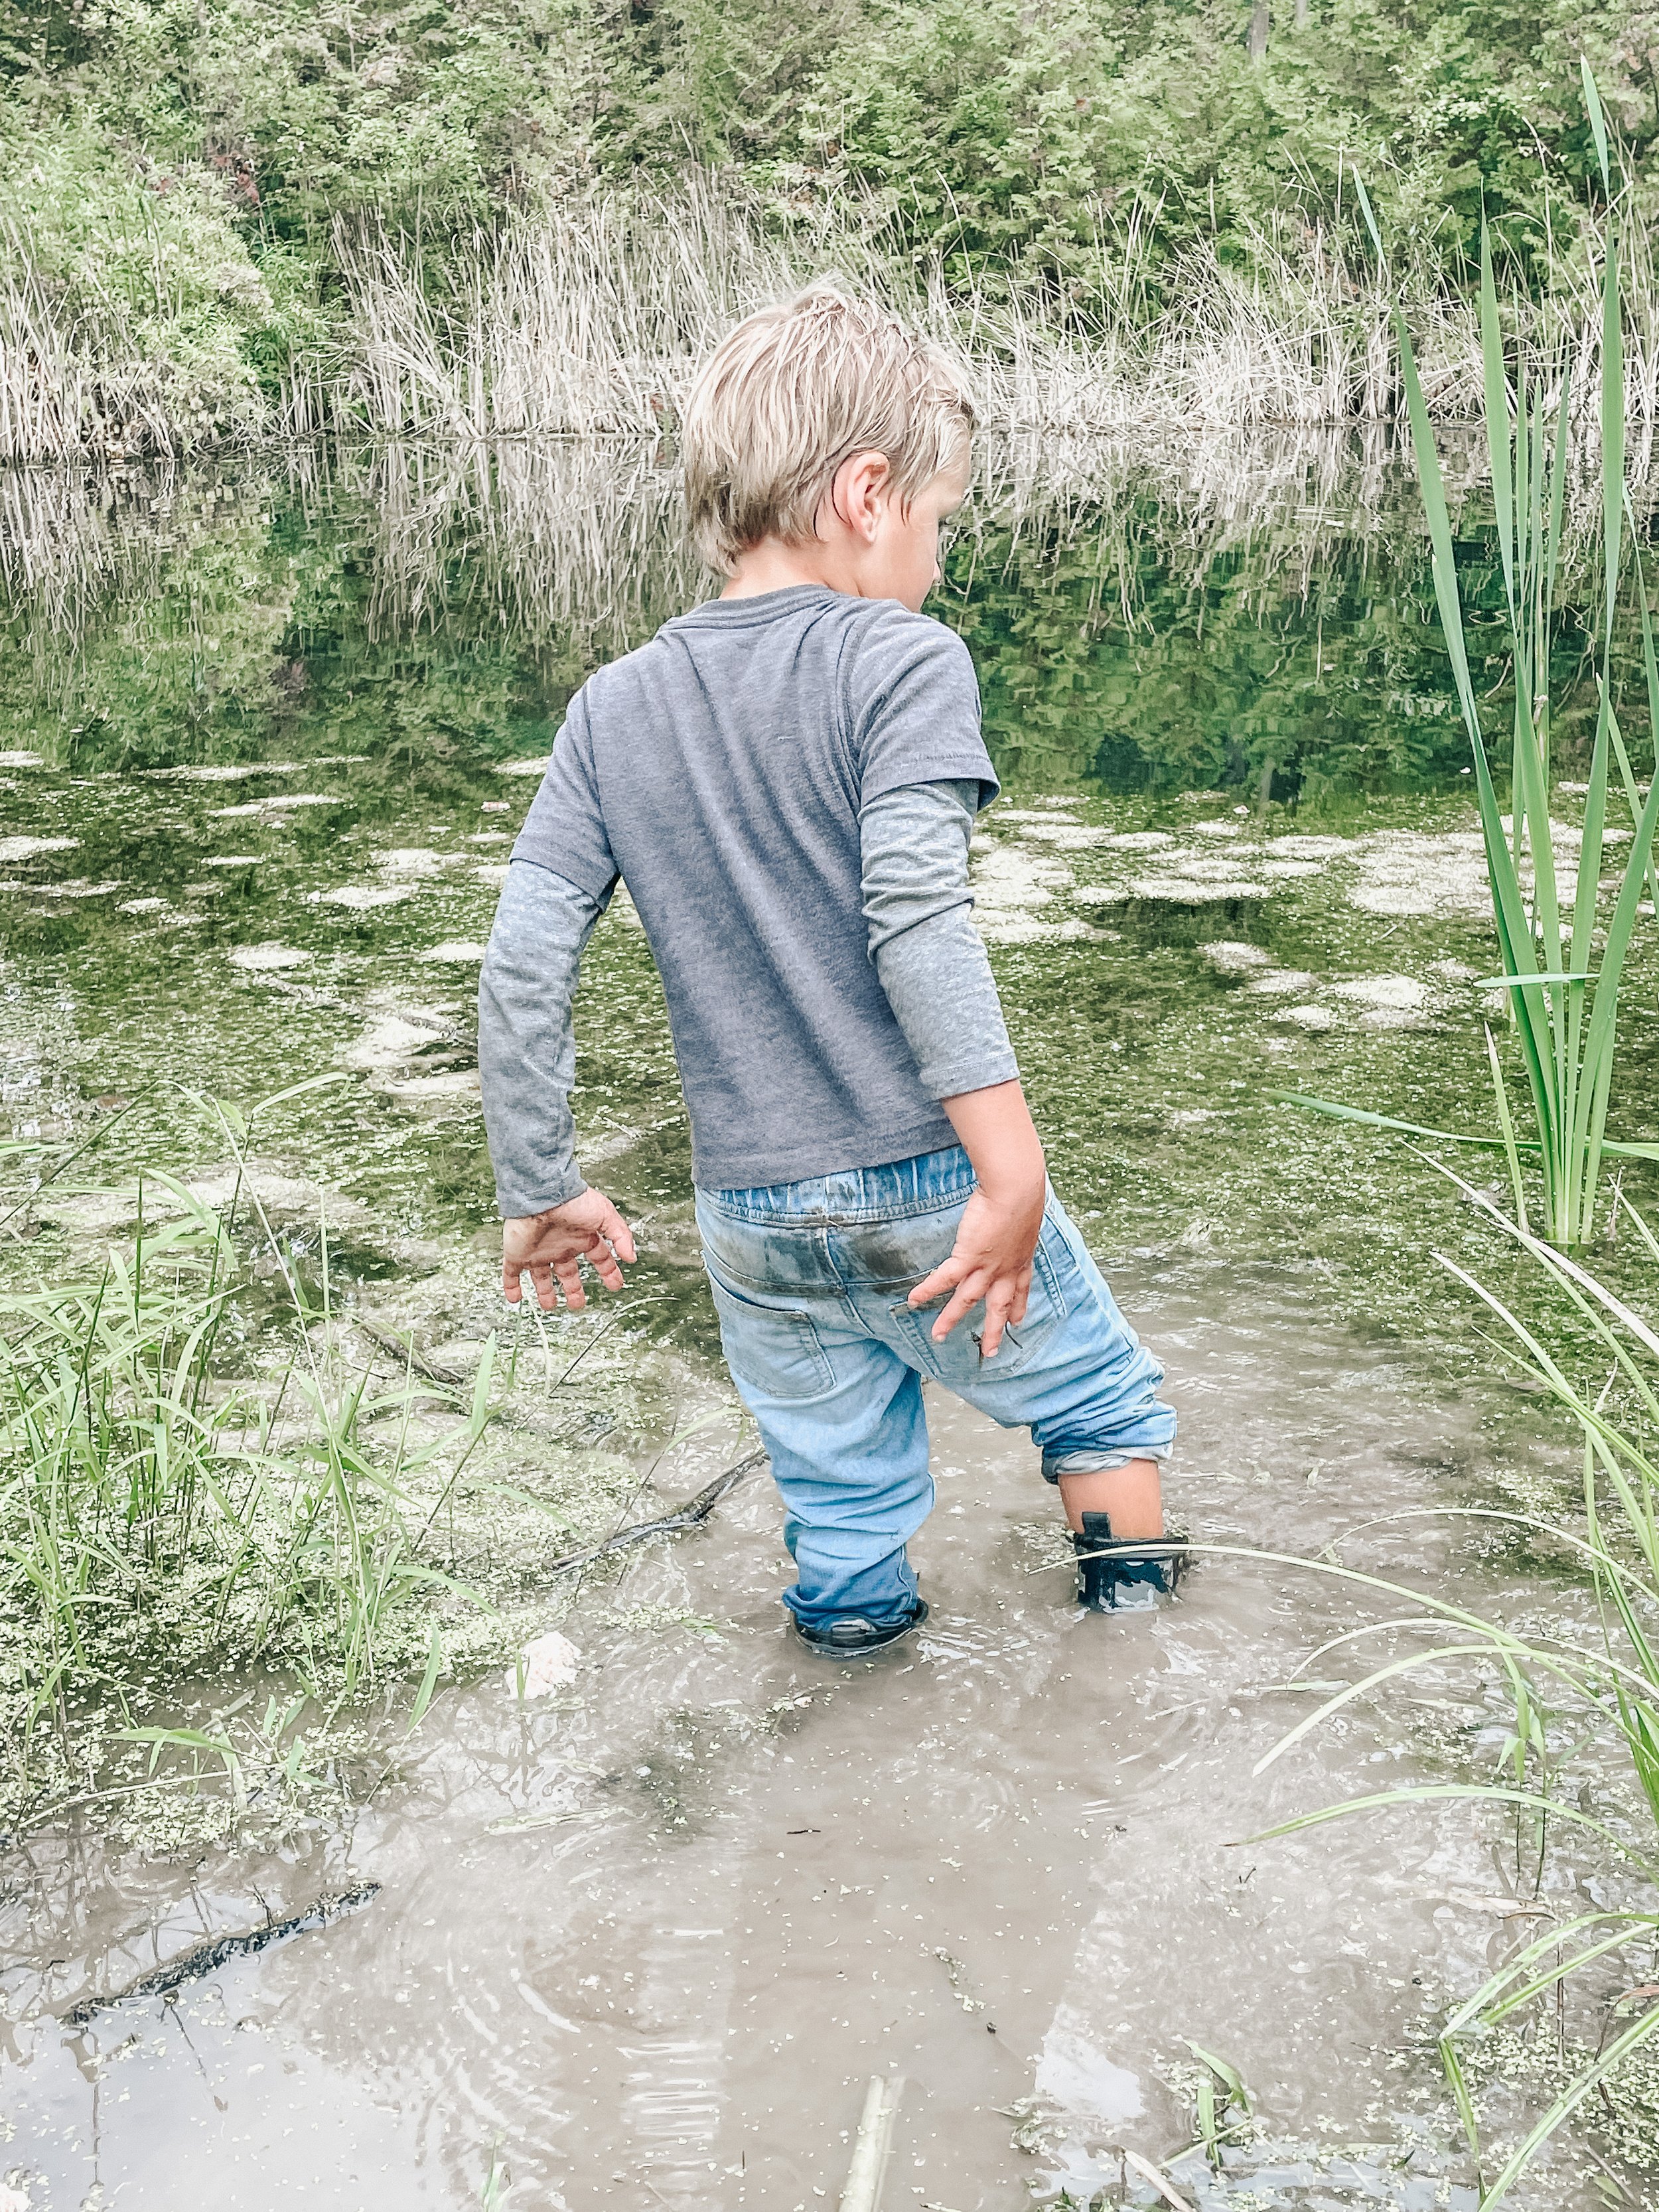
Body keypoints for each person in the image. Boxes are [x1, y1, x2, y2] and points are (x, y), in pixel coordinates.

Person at [478, 283, 1180, 1656]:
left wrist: (539, 1181)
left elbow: (522, 955)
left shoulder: (609, 707)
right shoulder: (900, 659)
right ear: (867, 493)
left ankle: (850, 1700)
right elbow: (914, 915)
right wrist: (1010, 1171)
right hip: (921, 1175)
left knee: (841, 1498)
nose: (933, 561)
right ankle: (1136, 1675)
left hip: (747, 1212)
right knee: (1099, 1408)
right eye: (936, 522)